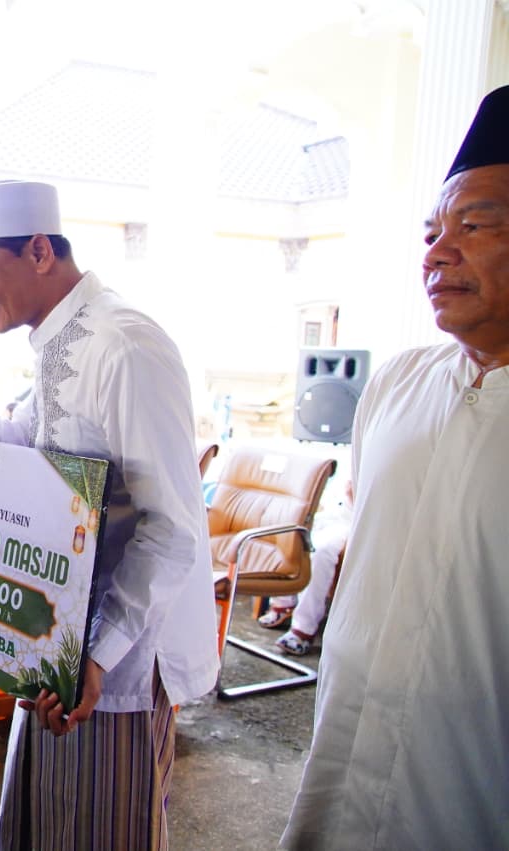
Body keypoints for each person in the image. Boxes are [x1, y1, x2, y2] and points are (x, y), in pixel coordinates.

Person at [0, 180, 220, 850]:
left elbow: (171, 526)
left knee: (102, 830)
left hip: (114, 662)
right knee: (49, 824)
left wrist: (94, 656)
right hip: (56, 643)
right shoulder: (60, 339)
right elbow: (28, 445)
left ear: (38, 250)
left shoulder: (124, 346)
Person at [281, 86, 509, 849]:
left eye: (474, 225)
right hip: (344, 766)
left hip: (466, 795)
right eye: (431, 231)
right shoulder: (397, 383)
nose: (437, 253)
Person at [257, 479, 352, 656]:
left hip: (350, 520)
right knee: (293, 532)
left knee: (321, 551)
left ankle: (303, 628)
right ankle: (283, 603)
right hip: (330, 511)